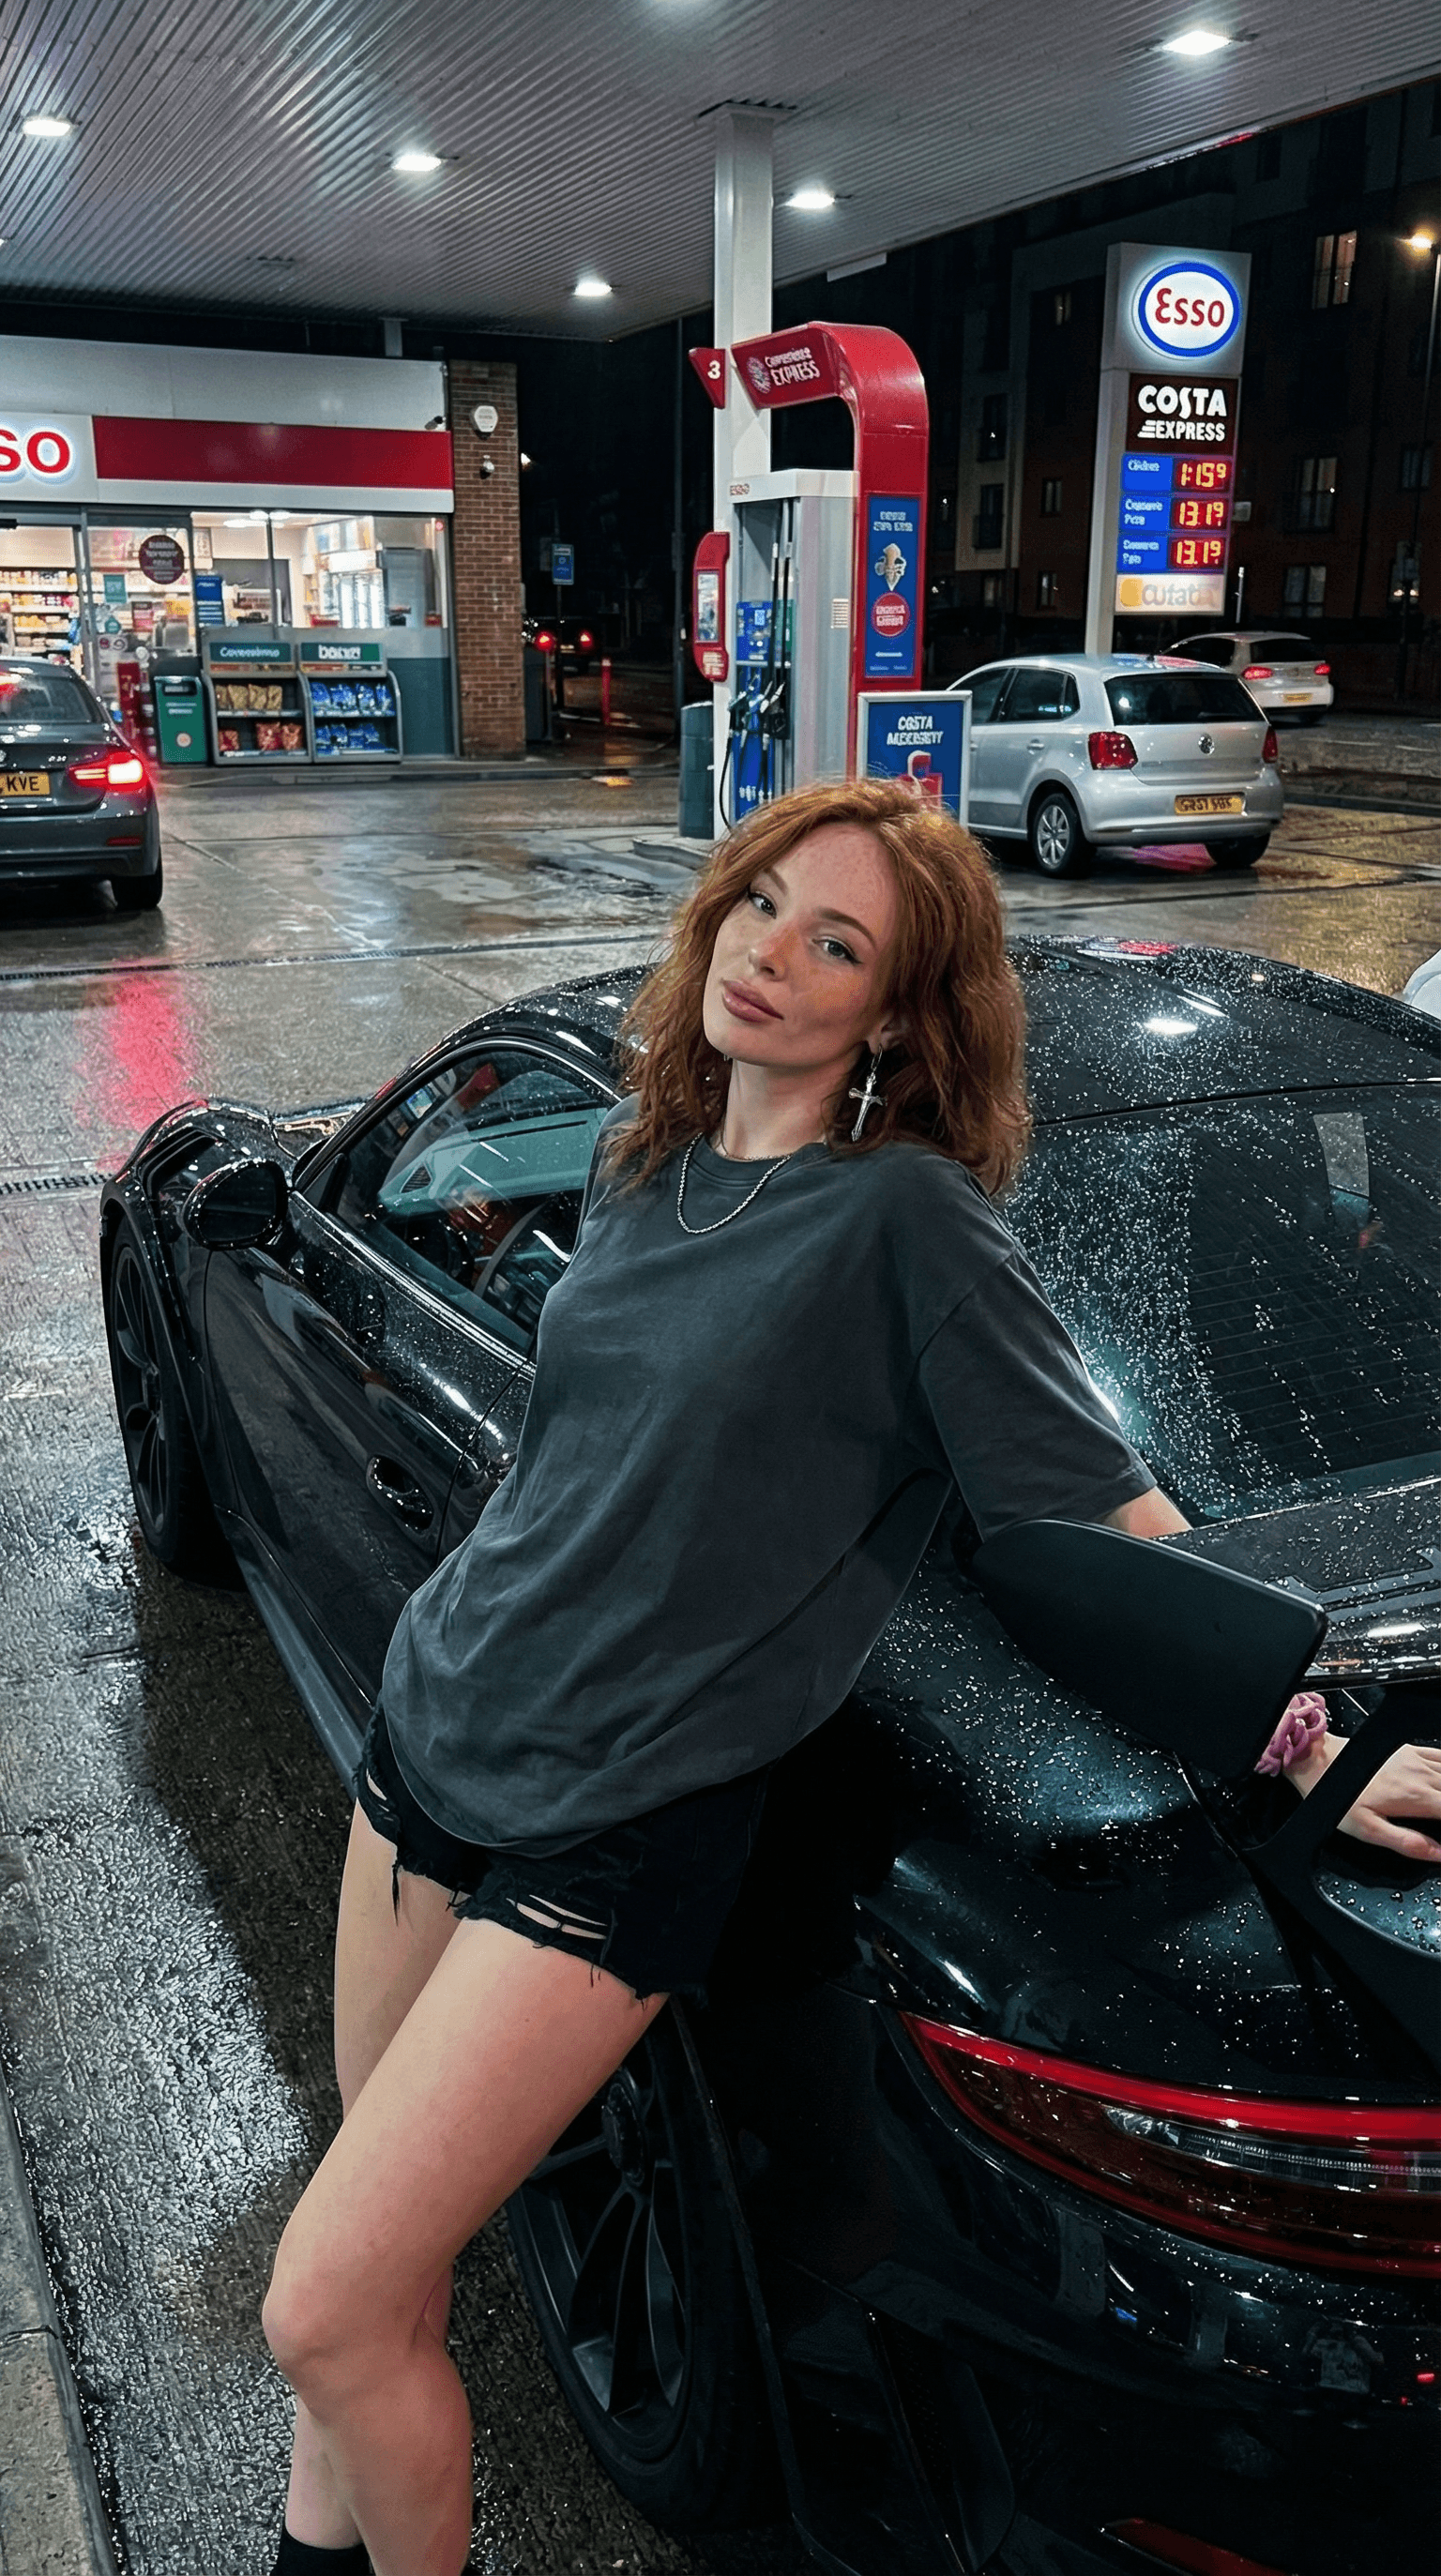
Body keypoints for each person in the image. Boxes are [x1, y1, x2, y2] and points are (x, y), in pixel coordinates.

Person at [261, 778, 1441, 2576]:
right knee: (372, 2289)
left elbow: (1103, 1509)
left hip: (618, 1834)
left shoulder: (909, 1227)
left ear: (895, 1011)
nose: (775, 960)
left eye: (840, 945)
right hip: (429, 1745)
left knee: (319, 2311)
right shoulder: (647, 1153)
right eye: (762, 909)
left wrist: (1306, 1727)